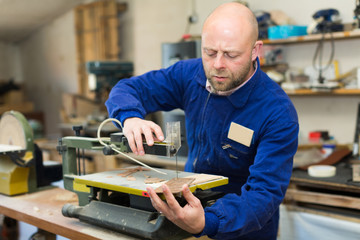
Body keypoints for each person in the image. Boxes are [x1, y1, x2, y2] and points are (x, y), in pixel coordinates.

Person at [106, 2, 299, 240]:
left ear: (255, 51)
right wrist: (130, 117)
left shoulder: (277, 112)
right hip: (184, 213)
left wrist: (209, 220)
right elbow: (128, 88)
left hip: (243, 229)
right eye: (209, 52)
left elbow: (264, 194)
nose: (217, 64)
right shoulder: (191, 75)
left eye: (231, 54)